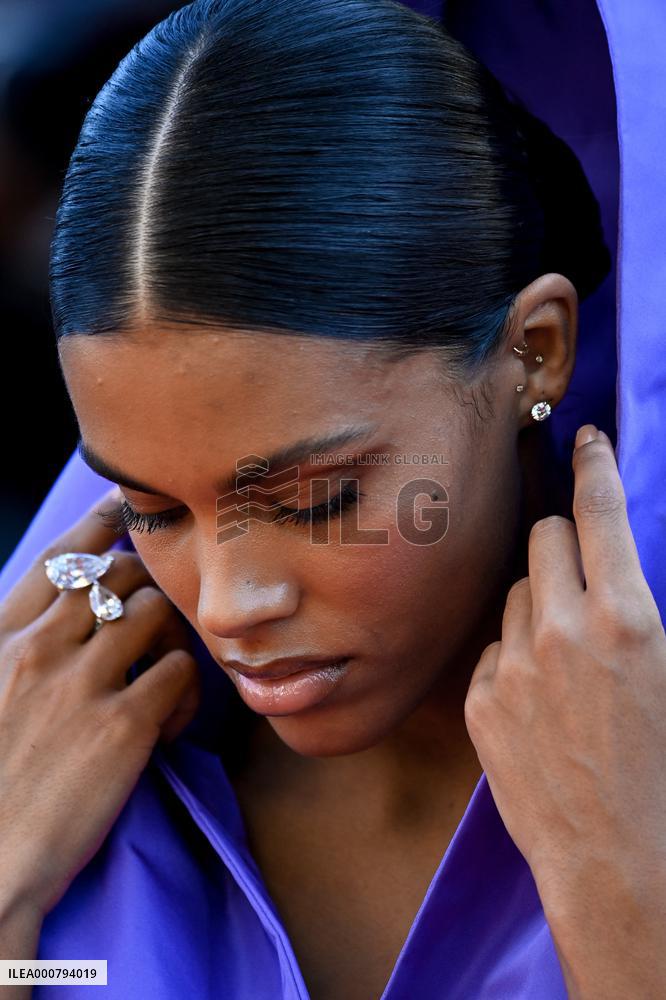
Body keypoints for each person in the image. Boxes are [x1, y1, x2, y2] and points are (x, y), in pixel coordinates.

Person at [1, 1, 665, 998]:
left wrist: (626, 900)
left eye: (317, 499)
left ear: (534, 351)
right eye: (152, 509)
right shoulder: (55, 769)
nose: (227, 604)